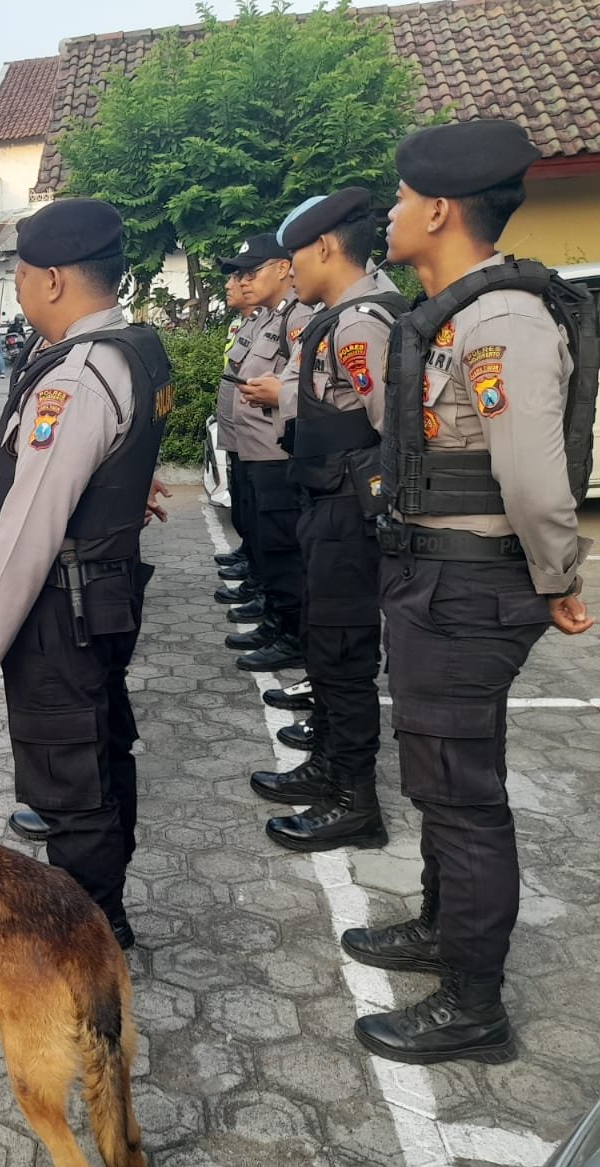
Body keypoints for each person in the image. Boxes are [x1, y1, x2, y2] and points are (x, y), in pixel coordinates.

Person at [340, 120, 597, 1064]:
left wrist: (558, 577)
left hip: (467, 588)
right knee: (439, 780)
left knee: (462, 796)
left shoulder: (501, 324)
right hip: (435, 582)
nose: (394, 212)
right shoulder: (453, 315)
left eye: (405, 199)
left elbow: (534, 482)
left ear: (441, 210)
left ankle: (474, 1005)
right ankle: (441, 928)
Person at [0, 197, 173, 952]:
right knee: (96, 750)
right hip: (99, 593)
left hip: (62, 605)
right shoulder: (132, 347)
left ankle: (90, 939)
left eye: (24, 275)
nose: (22, 289)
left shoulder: (80, 377)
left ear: (56, 280)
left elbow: (29, 533)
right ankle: (103, 912)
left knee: (73, 775)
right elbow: (115, 457)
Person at [252, 188, 408, 853]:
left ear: (324, 247)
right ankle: (328, 767)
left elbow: (394, 430)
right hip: (326, 504)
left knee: (344, 653)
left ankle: (354, 800)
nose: (290, 271)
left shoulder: (361, 323)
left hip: (350, 512)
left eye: (295, 258)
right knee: (324, 642)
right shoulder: (336, 318)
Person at [232, 235, 317, 672]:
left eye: (252, 271)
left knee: (284, 548)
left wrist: (277, 394)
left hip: (276, 452)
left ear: (283, 268)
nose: (244, 281)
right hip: (256, 450)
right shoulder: (274, 316)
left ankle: (292, 635)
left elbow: (303, 384)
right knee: (268, 543)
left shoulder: (299, 316)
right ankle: (278, 620)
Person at [213, 267, 262, 619]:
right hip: (238, 431)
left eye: (242, 275)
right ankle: (249, 555)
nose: (233, 284)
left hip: (260, 439)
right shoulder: (245, 323)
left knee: (258, 509)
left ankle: (260, 578)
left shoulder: (274, 322)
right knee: (243, 497)